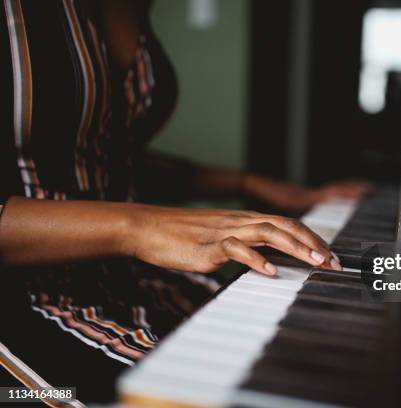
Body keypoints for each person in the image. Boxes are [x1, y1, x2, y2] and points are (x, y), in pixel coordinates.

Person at [0, 0, 369, 277]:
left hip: (129, 275)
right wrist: (138, 225)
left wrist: (253, 184)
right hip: (28, 292)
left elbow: (99, 161)